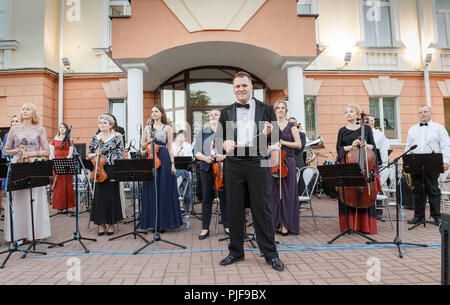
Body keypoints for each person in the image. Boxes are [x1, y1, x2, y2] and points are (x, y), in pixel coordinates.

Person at [215, 71, 284, 271]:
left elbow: (276, 139)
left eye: (244, 85)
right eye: (237, 86)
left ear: (251, 87)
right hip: (234, 163)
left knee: (262, 209)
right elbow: (219, 141)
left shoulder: (266, 109)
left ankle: (271, 254)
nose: (241, 89)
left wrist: (272, 133)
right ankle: (235, 252)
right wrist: (224, 143)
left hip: (258, 161)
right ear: (234, 89)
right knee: (234, 209)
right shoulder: (226, 111)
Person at [4, 104, 51, 242]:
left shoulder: (40, 129)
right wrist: (17, 151)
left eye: (28, 109)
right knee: (18, 198)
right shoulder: (14, 129)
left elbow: (46, 151)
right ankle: (18, 234)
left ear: (33, 113)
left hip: (34, 164)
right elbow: (6, 149)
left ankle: (35, 233)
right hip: (18, 163)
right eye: (23, 109)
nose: (24, 111)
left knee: (35, 197)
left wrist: (31, 153)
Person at [336, 104, 379, 235]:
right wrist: (351, 146)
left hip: (364, 166)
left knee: (364, 192)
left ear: (357, 114)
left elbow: (374, 148)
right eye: (346, 112)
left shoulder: (366, 129)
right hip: (348, 165)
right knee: (347, 193)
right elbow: (339, 149)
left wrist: (366, 145)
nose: (348, 114)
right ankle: (349, 225)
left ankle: (364, 226)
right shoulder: (342, 131)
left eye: (351, 111)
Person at [140, 105, 183, 232]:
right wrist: (148, 141)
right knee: (150, 189)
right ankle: (152, 222)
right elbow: (142, 147)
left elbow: (170, 147)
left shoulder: (167, 128)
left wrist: (172, 164)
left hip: (163, 158)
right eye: (152, 111)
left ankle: (163, 222)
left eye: (156, 111)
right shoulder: (147, 128)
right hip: (150, 158)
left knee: (163, 189)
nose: (153, 113)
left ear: (161, 113)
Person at [405, 105, 450, 226]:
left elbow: (446, 145)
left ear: (430, 113)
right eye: (420, 112)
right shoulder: (412, 129)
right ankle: (418, 216)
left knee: (433, 189)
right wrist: (407, 163)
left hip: (432, 160)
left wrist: (446, 161)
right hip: (416, 162)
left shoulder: (439, 128)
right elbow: (408, 147)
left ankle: (436, 216)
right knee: (417, 190)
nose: (422, 114)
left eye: (425, 111)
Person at [193, 109, 229, 240]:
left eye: (216, 114)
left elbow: (233, 151)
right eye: (211, 115)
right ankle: (205, 228)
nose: (213, 116)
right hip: (206, 167)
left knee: (225, 197)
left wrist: (223, 156)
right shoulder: (202, 132)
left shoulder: (226, 132)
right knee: (207, 198)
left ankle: (227, 225)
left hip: (223, 168)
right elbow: (196, 151)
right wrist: (204, 158)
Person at [88, 114, 124, 236]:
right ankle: (101, 224)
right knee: (100, 197)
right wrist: (95, 154)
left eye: (104, 123)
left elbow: (120, 155)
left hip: (111, 169)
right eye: (100, 123)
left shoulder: (116, 138)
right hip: (99, 170)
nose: (102, 124)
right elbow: (89, 155)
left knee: (112, 196)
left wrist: (118, 170)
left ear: (110, 125)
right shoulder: (94, 139)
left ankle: (111, 224)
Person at [270, 101, 302, 236]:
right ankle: (275, 223)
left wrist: (283, 142)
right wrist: (273, 146)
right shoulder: (270, 125)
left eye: (283, 108)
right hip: (272, 160)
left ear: (286, 110)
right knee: (274, 193)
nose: (280, 110)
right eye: (278, 108)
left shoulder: (292, 126)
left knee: (287, 194)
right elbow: (262, 146)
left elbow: (298, 145)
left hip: (288, 160)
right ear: (275, 110)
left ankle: (286, 224)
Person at [366, 113, 390, 221]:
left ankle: (379, 212)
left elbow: (384, 149)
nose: (370, 122)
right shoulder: (361, 132)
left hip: (376, 163)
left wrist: (384, 163)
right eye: (368, 120)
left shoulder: (379, 134)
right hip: (364, 164)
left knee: (377, 186)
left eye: (372, 120)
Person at [49, 122, 75, 212]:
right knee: (58, 186)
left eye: (64, 127)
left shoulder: (69, 140)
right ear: (59, 129)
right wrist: (54, 161)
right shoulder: (54, 140)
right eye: (60, 127)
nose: (62, 129)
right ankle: (59, 207)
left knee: (67, 185)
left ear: (66, 129)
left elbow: (70, 154)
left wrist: (65, 161)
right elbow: (52, 154)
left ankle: (68, 206)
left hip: (66, 164)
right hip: (56, 164)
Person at [172, 130, 194, 221]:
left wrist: (183, 155)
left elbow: (191, 159)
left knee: (186, 180)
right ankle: (177, 206)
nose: (181, 137)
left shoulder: (188, 146)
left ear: (185, 138)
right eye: (179, 135)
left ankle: (186, 208)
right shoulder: (172, 146)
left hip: (186, 170)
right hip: (174, 170)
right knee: (177, 181)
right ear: (176, 136)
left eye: (183, 136)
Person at [1, 115, 20, 219]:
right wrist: (4, 164)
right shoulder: (7, 135)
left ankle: (17, 212)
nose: (14, 123)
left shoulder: (23, 134)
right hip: (9, 163)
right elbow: (4, 150)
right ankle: (9, 212)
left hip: (19, 163)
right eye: (12, 121)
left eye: (16, 121)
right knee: (8, 189)